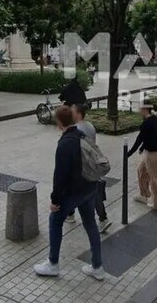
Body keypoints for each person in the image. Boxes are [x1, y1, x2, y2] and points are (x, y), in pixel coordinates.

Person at [33, 106, 105, 281]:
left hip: (74, 192)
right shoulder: (82, 135)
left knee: (55, 220)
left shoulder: (65, 143)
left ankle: (53, 264)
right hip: (90, 187)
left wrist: (55, 200)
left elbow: (60, 176)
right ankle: (97, 266)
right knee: (90, 224)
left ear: (59, 123)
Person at [65, 104, 111, 233]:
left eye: (73, 112)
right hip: (91, 165)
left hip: (81, 167)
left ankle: (71, 215)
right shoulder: (90, 126)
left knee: (73, 190)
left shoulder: (76, 129)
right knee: (92, 192)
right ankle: (102, 218)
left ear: (79, 114)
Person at [128, 102, 157, 211]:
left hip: (152, 154)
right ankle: (144, 195)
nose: (138, 110)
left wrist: (129, 153)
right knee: (141, 170)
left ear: (145, 109)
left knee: (154, 178)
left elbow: (139, 139)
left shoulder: (148, 122)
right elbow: (151, 136)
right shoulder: (153, 119)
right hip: (152, 151)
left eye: (140, 108)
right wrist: (142, 148)